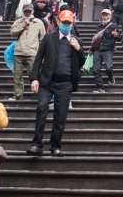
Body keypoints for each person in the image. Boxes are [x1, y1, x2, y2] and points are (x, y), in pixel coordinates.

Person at [27, 9, 85, 156]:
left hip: (65, 83)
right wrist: (34, 78)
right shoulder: (49, 37)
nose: (66, 25)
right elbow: (39, 58)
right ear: (58, 21)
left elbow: (81, 63)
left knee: (61, 115)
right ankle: (37, 144)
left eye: (69, 23)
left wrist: (79, 50)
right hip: (47, 81)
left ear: (72, 24)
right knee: (42, 108)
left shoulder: (76, 40)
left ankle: (55, 146)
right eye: (64, 22)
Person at [9, 2, 45, 101]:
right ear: (23, 11)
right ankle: (17, 95)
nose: (28, 13)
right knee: (17, 76)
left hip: (32, 53)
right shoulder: (19, 21)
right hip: (19, 52)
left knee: (34, 75)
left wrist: (43, 55)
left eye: (29, 11)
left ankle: (38, 94)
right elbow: (12, 32)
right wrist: (24, 23)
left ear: (33, 11)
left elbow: (43, 38)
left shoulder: (38, 22)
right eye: (26, 11)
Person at [92, 8, 122, 92]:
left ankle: (110, 77)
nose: (105, 16)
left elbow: (120, 37)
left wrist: (116, 35)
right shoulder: (99, 26)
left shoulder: (114, 26)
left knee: (109, 68)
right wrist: (92, 49)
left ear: (110, 15)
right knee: (96, 69)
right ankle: (100, 87)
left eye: (106, 14)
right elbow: (96, 38)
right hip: (98, 49)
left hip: (108, 49)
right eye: (103, 15)